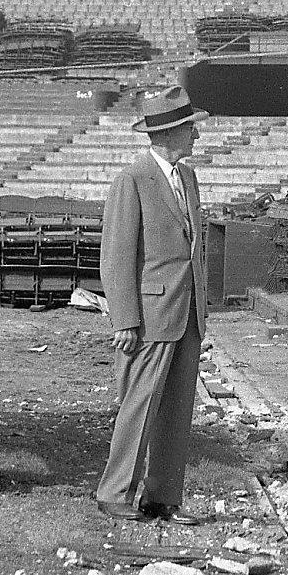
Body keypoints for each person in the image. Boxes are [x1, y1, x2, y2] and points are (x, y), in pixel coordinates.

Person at [93, 83, 213, 524]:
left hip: (186, 315)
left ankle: (162, 496)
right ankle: (115, 492)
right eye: (190, 130)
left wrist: (201, 308)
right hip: (149, 315)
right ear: (168, 133)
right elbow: (117, 254)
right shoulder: (133, 178)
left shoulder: (187, 178)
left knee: (178, 410)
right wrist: (124, 318)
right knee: (139, 405)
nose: (196, 137)